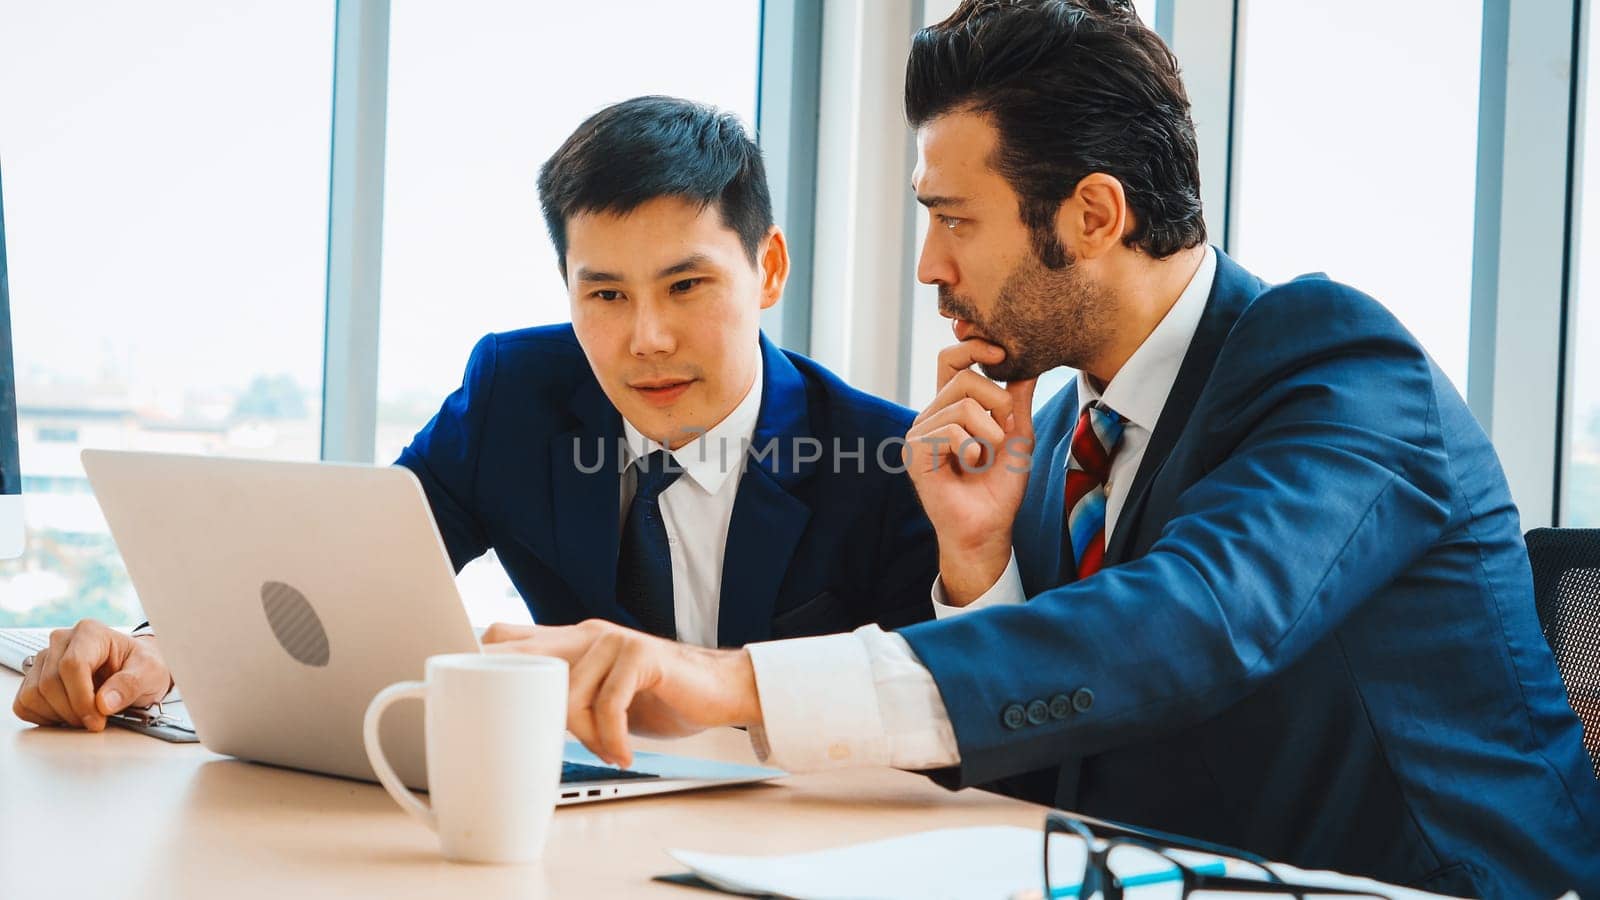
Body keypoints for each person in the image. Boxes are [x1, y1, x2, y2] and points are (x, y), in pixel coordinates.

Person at [476, 3, 1600, 897]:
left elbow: (1191, 622)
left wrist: (728, 681)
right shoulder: (1058, 432)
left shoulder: (1336, 364)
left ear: (1093, 216)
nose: (927, 266)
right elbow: (1060, 729)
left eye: (955, 219)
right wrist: (976, 569)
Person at [11, 97, 938, 734]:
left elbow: (925, 714)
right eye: (604, 294)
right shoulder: (518, 393)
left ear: (768, 268)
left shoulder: (885, 457)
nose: (645, 338)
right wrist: (155, 651)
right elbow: (340, 570)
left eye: (686, 285)